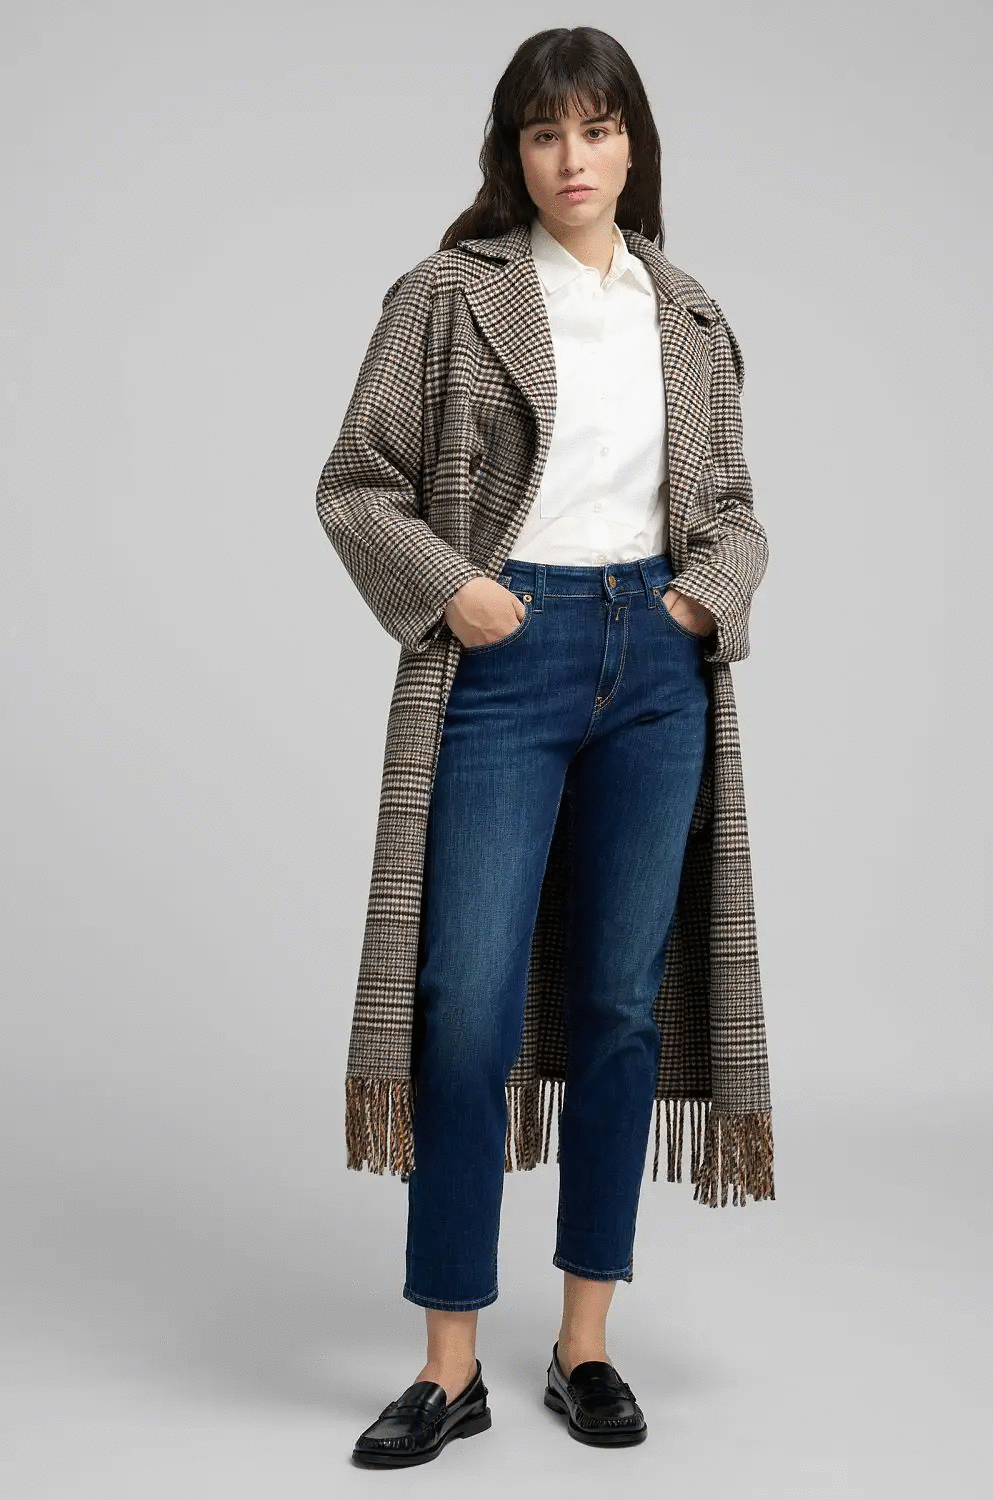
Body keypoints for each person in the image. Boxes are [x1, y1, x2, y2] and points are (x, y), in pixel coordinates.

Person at [315, 25, 773, 1469]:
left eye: (597, 128)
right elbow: (355, 482)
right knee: (465, 1001)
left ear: (635, 144)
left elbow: (734, 508)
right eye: (544, 132)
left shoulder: (690, 316)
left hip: (658, 668)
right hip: (507, 657)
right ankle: (448, 1368)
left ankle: (586, 1345)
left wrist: (706, 596)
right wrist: (453, 590)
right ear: (512, 153)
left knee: (622, 1004)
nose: (573, 158)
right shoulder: (450, 296)